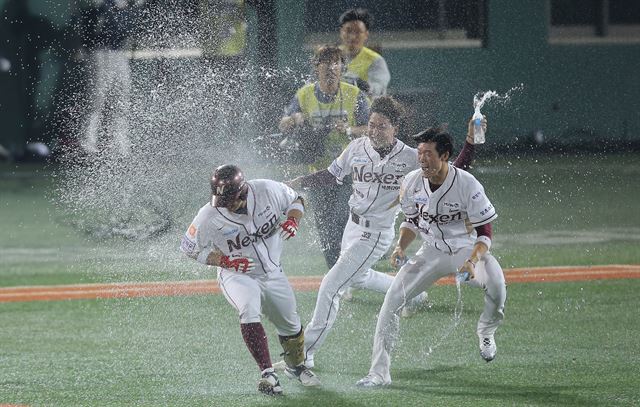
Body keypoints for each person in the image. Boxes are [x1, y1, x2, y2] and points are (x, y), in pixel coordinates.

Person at [276, 96, 480, 370]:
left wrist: (471, 141)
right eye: (371, 125)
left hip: (376, 233)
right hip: (353, 226)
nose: (374, 131)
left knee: (331, 286)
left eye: (381, 126)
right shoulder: (357, 146)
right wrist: (298, 182)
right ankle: (413, 294)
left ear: (395, 128)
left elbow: (452, 172)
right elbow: (331, 174)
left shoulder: (411, 158)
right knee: (357, 279)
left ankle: (305, 353)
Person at [356, 128, 507, 388]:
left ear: (445, 155)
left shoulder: (467, 183)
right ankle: (379, 373)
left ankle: (486, 330)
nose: (422, 158)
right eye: (420, 153)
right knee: (392, 300)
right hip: (431, 251)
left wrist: (472, 260)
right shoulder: (412, 182)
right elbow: (411, 222)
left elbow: (485, 232)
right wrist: (400, 247)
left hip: (465, 249)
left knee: (497, 286)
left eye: (428, 153)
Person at [180, 164, 320, 395]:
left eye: (230, 200)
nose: (225, 205)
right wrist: (226, 262)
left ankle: (295, 367)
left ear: (243, 192)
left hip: (273, 271)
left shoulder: (267, 190)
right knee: (248, 308)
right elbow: (189, 247)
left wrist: (294, 220)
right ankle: (268, 374)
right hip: (237, 274)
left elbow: (296, 200)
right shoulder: (208, 215)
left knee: (291, 326)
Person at [278, 45, 369, 270]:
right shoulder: (304, 94)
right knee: (326, 229)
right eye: (325, 62)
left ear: (342, 68)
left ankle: (351, 268)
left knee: (342, 220)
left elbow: (370, 128)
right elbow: (283, 124)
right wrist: (294, 119)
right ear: (316, 67)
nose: (331, 67)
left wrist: (349, 130)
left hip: (350, 170)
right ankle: (337, 275)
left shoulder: (354, 94)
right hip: (318, 172)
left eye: (336, 62)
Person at [82, 0, 142, 155]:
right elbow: (100, 23)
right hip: (99, 51)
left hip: (118, 52)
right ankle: (87, 143)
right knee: (97, 99)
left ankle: (120, 145)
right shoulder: (101, 5)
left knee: (121, 100)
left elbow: (125, 29)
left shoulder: (130, 7)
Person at [338, 8, 390, 98]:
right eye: (348, 31)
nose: (353, 36)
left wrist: (362, 85)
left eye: (358, 32)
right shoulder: (331, 56)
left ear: (366, 34)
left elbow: (379, 90)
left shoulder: (376, 60)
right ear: (341, 32)